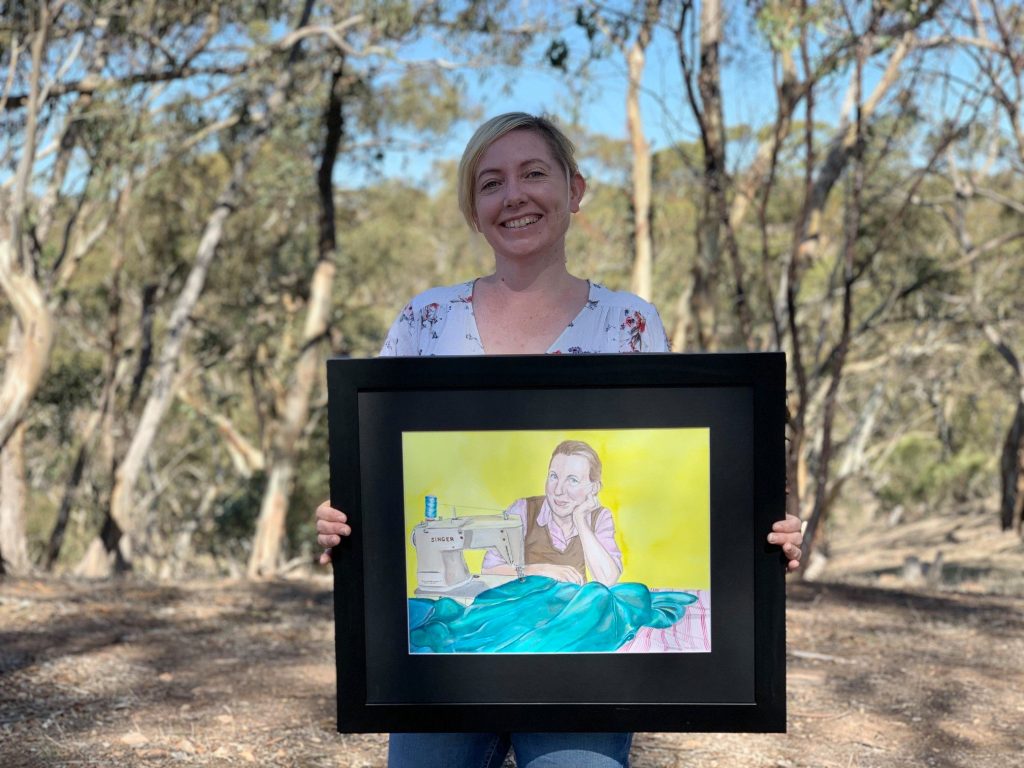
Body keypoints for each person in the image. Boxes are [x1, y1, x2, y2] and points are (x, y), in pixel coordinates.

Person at [315, 112, 804, 768]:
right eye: (490, 183)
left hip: (581, 675)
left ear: (574, 191)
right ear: (474, 209)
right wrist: (348, 524)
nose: (513, 195)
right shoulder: (425, 321)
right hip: (453, 679)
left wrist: (756, 539)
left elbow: (671, 468)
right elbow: (380, 467)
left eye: (533, 174)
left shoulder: (629, 323)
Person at [481, 439, 622, 587]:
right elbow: (489, 570)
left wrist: (580, 520)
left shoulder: (599, 518)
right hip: (528, 604)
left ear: (593, 488)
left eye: (572, 480)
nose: (558, 490)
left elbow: (607, 579)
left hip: (574, 607)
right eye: (554, 476)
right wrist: (540, 570)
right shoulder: (523, 510)